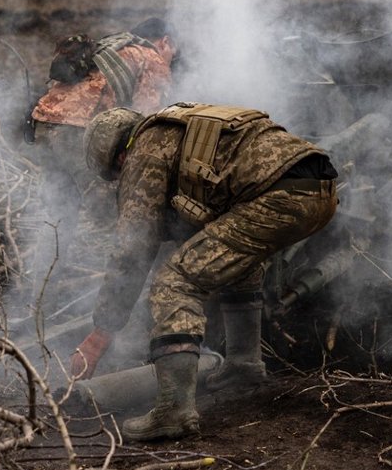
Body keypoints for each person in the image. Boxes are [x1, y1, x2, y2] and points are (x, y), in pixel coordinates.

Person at [73, 102, 338, 441]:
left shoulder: (144, 151)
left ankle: (175, 411)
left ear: (117, 158)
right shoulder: (174, 130)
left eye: (116, 176)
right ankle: (244, 368)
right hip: (320, 188)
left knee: (175, 281)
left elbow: (133, 249)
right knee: (232, 260)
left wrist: (101, 333)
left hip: (282, 196)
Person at [22, 18, 178, 316]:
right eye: (174, 52)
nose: (172, 60)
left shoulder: (111, 47)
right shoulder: (153, 57)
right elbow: (149, 123)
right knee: (125, 218)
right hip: (75, 134)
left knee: (58, 216)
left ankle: (38, 304)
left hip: (43, 125)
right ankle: (132, 305)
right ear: (166, 41)